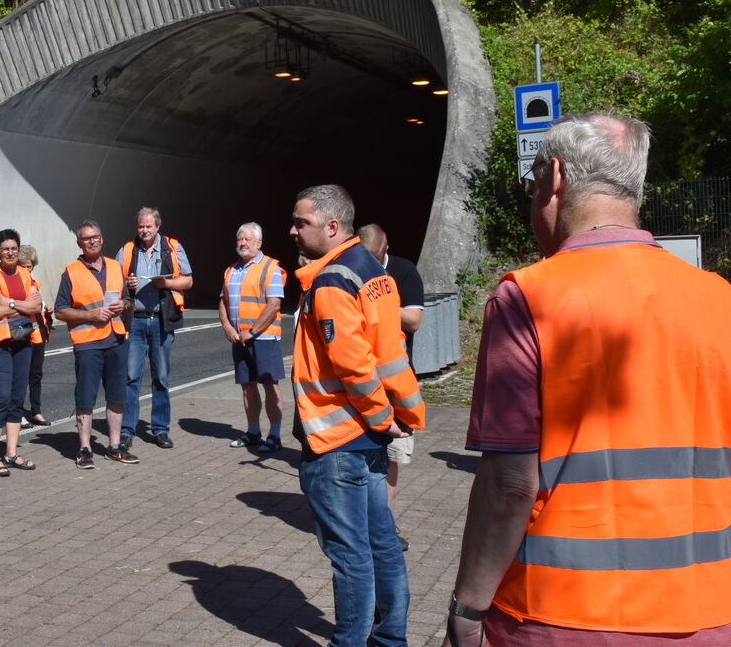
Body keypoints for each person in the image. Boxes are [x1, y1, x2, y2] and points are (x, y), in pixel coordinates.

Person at [443, 114, 731, 647]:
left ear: (553, 178)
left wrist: (466, 608)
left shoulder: (529, 297)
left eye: (531, 185)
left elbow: (510, 486)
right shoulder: (720, 298)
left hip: (564, 615)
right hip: (711, 610)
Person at [289, 184, 425, 647]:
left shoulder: (331, 281)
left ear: (332, 226)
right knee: (380, 543)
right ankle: (390, 639)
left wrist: (380, 417)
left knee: (350, 555)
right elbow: (386, 351)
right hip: (367, 436)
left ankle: (349, 642)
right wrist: (389, 418)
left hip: (337, 437)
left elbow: (354, 364)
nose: (292, 230)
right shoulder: (370, 269)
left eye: (301, 222)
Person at [358, 222, 425, 549]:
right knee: (365, 453)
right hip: (361, 380)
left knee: (394, 455)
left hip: (396, 380)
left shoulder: (403, 270)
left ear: (385, 251)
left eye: (374, 258)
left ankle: (381, 523)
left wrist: (378, 307)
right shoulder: (352, 269)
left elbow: (413, 320)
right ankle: (372, 524)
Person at [55, 220, 136, 468]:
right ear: (80, 243)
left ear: (102, 239)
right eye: (86, 238)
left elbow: (126, 300)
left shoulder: (115, 266)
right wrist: (91, 315)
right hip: (88, 343)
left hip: (116, 339)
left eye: (95, 237)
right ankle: (84, 448)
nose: (92, 241)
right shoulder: (71, 272)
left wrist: (124, 304)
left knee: (116, 396)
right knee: (86, 398)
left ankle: (114, 446)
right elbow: (60, 311)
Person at [115, 207, 193, 449]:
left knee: (160, 378)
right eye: (141, 226)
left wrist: (166, 283)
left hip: (161, 321)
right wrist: (126, 283)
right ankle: (127, 431)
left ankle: (160, 429)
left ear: (158, 226)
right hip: (135, 321)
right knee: (131, 378)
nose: (144, 230)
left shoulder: (173, 247)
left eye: (149, 226)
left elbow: (188, 280)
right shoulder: (127, 250)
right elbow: (113, 284)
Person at [0, 229, 42, 477]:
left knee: (16, 398)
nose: (10, 252)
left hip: (22, 340)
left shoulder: (25, 274)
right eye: (5, 249)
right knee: (1, 396)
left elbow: (37, 305)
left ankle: (11, 452)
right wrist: (20, 306)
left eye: (13, 248)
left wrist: (9, 302)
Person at [218, 222, 287, 453]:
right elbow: (223, 300)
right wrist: (227, 326)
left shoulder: (270, 267)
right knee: (247, 387)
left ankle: (275, 435)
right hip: (239, 339)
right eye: (240, 239)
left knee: (270, 385)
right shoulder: (230, 270)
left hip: (264, 338)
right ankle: (253, 432)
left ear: (259, 243)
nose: (243, 243)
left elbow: (274, 304)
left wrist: (253, 330)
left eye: (248, 239)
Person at [18, 244, 52, 427]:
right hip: (22, 333)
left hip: (38, 332)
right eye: (22, 266)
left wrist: (46, 309)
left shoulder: (33, 283)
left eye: (29, 266)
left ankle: (36, 411)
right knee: (21, 375)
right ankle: (18, 412)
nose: (26, 270)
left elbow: (37, 305)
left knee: (36, 374)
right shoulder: (15, 283)